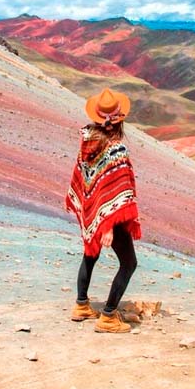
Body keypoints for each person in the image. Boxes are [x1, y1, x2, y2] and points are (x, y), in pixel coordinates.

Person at [65, 87, 142, 333]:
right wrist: (107, 225)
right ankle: (108, 316)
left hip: (93, 211)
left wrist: (95, 218)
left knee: (90, 252)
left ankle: (81, 305)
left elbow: (87, 181)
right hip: (113, 216)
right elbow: (117, 188)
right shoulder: (116, 149)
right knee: (129, 263)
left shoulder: (88, 141)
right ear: (119, 120)